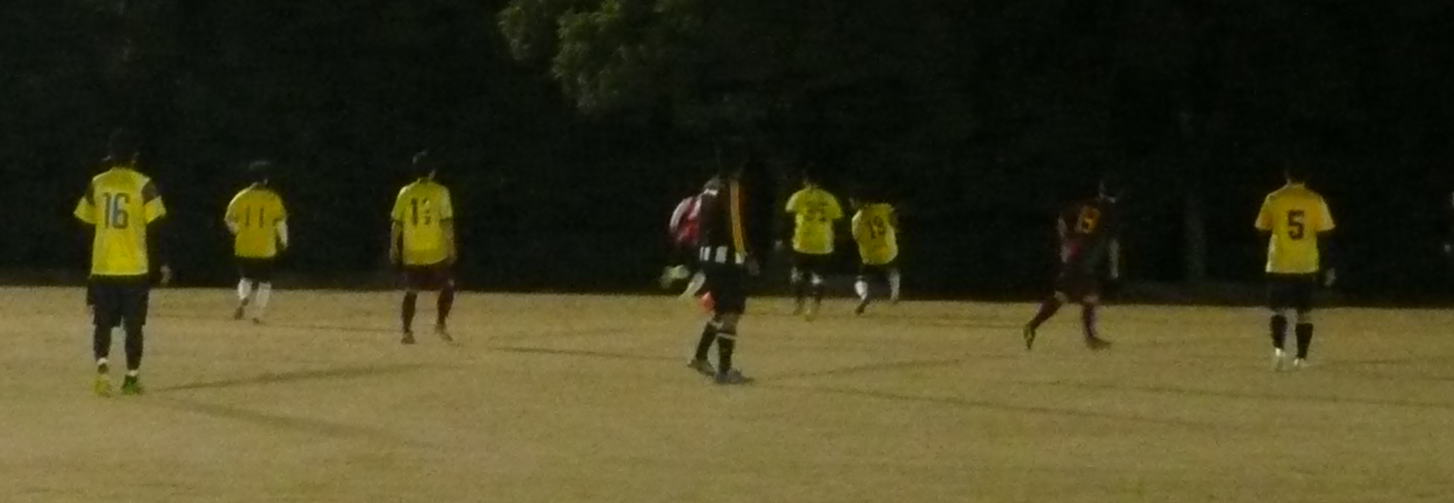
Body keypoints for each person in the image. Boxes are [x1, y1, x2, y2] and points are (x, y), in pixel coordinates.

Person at [73, 129, 171, 396]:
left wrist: (91, 257)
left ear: (110, 154)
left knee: (102, 323)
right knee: (134, 326)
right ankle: (131, 378)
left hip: (103, 265)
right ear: (134, 157)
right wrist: (162, 262)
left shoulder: (97, 183)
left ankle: (102, 372)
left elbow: (84, 223)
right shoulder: (144, 184)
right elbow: (157, 226)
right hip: (134, 267)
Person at [686, 158, 763, 385]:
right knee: (731, 312)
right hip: (726, 257)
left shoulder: (709, 185)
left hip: (707, 254)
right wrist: (746, 254)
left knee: (720, 310)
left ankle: (700, 357)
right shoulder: (732, 187)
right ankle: (724, 370)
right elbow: (735, 224)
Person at [1022, 179, 1121, 351]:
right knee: (1090, 296)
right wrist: (1114, 268)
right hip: (1085, 260)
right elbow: (1113, 243)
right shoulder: (1109, 211)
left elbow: (1062, 218)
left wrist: (1065, 242)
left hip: (1075, 255)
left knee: (1063, 296)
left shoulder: (1087, 205)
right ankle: (1091, 339)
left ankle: (1032, 326)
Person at [1254, 166, 1335, 371]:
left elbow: (1262, 230)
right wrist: (1327, 265)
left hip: (1279, 262)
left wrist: (1266, 254)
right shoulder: (1315, 200)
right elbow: (1325, 234)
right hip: (1306, 263)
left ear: (1286, 175)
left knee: (1278, 310)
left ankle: (1279, 350)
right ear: (1307, 176)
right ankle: (1301, 357)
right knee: (1304, 313)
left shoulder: (1274, 198)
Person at [389, 150, 457, 344]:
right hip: (435, 251)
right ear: (432, 171)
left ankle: (406, 332)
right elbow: (446, 223)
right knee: (447, 286)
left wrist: (393, 247)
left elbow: (396, 224)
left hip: (412, 252)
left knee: (411, 291)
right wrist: (451, 247)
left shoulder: (405, 192)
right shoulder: (441, 192)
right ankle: (440, 324)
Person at [225, 160, 289, 323]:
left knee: (245, 278)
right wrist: (284, 240)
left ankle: (243, 297)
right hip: (266, 246)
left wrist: (238, 231)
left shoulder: (240, 197)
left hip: (244, 244)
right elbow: (280, 222)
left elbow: (229, 219)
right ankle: (257, 314)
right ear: (266, 178)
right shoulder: (273, 198)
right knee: (265, 282)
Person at [783, 170, 843, 319]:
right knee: (818, 277)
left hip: (802, 242)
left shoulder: (799, 196)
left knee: (797, 274)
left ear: (805, 180)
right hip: (823, 244)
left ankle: (799, 304)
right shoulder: (830, 198)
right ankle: (814, 307)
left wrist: (784, 238)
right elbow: (837, 218)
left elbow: (788, 216)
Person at [850, 197, 901, 315]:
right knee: (892, 269)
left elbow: (857, 237)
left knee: (860, 278)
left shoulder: (856, 219)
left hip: (870, 255)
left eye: (852, 201)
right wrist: (894, 226)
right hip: (888, 250)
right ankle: (895, 293)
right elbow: (894, 215)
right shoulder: (883, 208)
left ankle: (864, 296)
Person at [659, 190, 706, 298]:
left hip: (683, 237)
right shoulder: (709, 202)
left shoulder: (689, 201)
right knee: (703, 270)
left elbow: (676, 215)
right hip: (697, 238)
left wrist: (674, 231)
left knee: (691, 268)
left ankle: (674, 272)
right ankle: (686, 295)